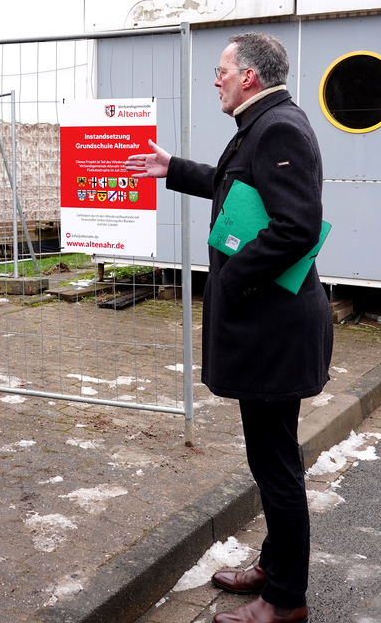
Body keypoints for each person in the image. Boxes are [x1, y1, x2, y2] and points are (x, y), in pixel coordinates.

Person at [125, 32, 332, 623]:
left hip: (275, 331)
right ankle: (273, 563)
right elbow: (241, 186)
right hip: (269, 327)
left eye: (222, 70)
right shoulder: (263, 123)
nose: (215, 79)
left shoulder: (279, 127)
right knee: (269, 457)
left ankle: (286, 599)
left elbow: (296, 226)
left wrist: (230, 280)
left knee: (276, 466)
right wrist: (173, 168)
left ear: (250, 77)